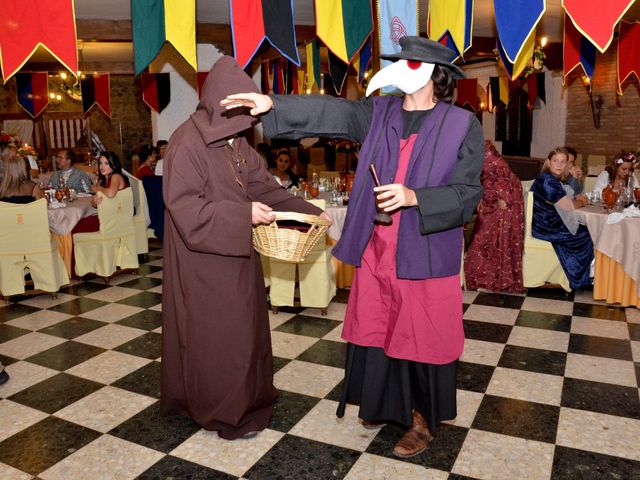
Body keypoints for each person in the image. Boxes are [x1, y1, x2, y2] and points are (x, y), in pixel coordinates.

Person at [222, 36, 484, 457]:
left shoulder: (461, 124)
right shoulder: (379, 112)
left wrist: (417, 197)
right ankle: (383, 404)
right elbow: (334, 112)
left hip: (425, 247)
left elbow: (470, 194)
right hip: (378, 244)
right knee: (379, 327)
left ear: (435, 74)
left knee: (421, 333)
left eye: (410, 62)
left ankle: (421, 419)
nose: (400, 67)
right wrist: (272, 104)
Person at [160, 56, 328, 440]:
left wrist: (310, 211)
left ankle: (250, 397)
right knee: (217, 337)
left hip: (238, 254)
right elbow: (185, 208)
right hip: (202, 262)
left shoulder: (235, 142)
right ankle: (222, 412)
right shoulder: (186, 144)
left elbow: (264, 186)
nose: (245, 127)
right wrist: (242, 214)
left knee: (246, 331)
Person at [465, 141, 524, 293]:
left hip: (500, 205)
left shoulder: (485, 148)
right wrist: (481, 197)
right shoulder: (468, 148)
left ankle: (488, 281)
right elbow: (479, 177)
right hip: (488, 202)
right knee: (483, 241)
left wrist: (503, 196)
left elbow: (502, 173)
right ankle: (483, 280)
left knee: (488, 241)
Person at [531, 148, 593, 289]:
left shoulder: (550, 178)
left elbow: (563, 200)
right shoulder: (548, 181)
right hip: (545, 226)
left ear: (566, 164)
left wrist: (575, 198)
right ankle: (581, 278)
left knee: (585, 229)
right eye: (555, 161)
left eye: (562, 162)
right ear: (548, 162)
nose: (559, 165)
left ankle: (584, 274)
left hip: (546, 222)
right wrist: (583, 201)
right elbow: (568, 207)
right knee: (588, 234)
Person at [72, 151, 130, 234]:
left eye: (106, 163)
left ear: (113, 164)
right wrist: (95, 202)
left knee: (75, 228)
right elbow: (93, 204)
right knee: (75, 224)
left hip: (116, 219)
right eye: (100, 163)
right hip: (106, 216)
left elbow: (110, 194)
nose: (102, 166)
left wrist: (99, 188)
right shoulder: (102, 180)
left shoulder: (116, 176)